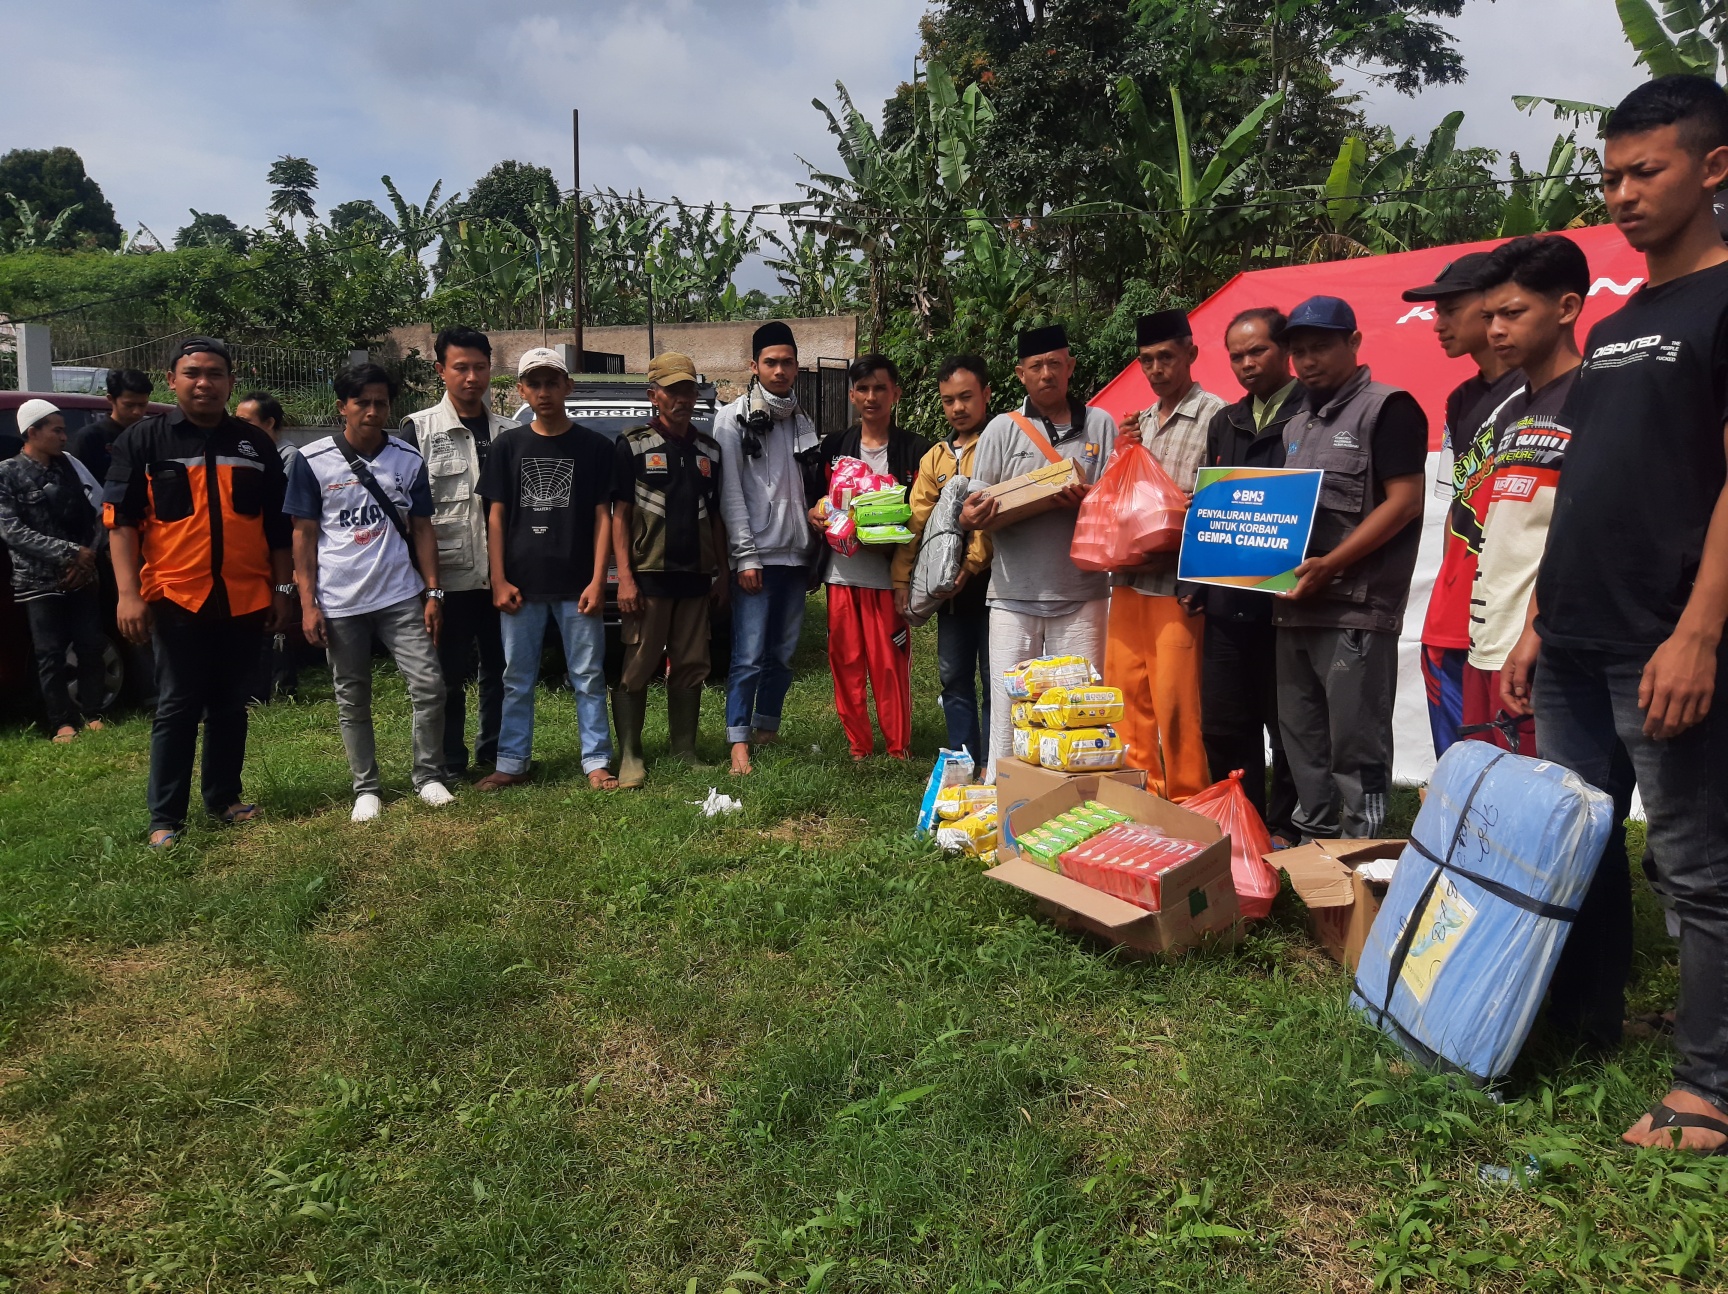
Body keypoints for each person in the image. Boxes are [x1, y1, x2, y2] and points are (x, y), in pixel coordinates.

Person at [1499, 77, 1728, 1153]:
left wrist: (1699, 633)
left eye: (1647, 171)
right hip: (1575, 639)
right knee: (1577, 847)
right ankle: (1584, 1026)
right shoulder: (1623, 323)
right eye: (1611, 177)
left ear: (1713, 167)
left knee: (1697, 865)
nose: (1623, 195)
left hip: (1663, 638)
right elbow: (1586, 484)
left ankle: (1709, 1087)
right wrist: (1540, 619)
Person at [103, 337, 295, 846]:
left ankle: (224, 798)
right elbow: (120, 524)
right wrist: (127, 594)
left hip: (245, 596)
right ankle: (165, 818)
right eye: (192, 373)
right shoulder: (143, 441)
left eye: (214, 374)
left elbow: (278, 527)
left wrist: (282, 589)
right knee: (178, 706)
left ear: (231, 382)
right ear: (172, 380)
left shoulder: (254, 445)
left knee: (231, 702)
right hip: (175, 597)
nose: (204, 383)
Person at [1275, 297, 1427, 840]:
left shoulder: (1389, 409)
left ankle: (1363, 853)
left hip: (1355, 609)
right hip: (1294, 608)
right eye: (1298, 352)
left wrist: (1332, 564)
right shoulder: (1296, 424)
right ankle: (1314, 850)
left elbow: (1405, 502)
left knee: (1356, 746)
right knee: (1303, 741)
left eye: (1321, 347)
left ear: (1354, 342)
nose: (1308, 361)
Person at [284, 365, 453, 821]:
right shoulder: (312, 461)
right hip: (340, 601)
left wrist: (433, 592)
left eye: (381, 402)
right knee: (352, 695)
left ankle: (428, 776)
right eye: (362, 402)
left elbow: (423, 528)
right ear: (342, 406)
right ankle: (367, 788)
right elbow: (303, 535)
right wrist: (307, 604)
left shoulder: (407, 458)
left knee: (429, 685)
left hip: (400, 595)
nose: (373, 411)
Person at [959, 323, 1116, 775]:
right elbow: (974, 507)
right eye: (1036, 366)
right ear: (1020, 374)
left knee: (1079, 714)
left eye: (1054, 364)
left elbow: (1117, 502)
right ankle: (1002, 793)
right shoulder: (1001, 429)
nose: (1046, 374)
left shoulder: (1101, 425)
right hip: (1012, 596)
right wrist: (971, 515)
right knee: (1009, 713)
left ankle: (1073, 800)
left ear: (1070, 367)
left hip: (1083, 595)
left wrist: (1088, 501)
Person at [1464, 235, 1589, 756]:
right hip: (1489, 637)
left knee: (1549, 794)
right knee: (1487, 788)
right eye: (1488, 316)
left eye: (1512, 313)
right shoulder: (1509, 410)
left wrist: (1536, 628)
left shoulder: (1596, 396)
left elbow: (1585, 531)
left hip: (1546, 645)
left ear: (1567, 308)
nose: (1495, 329)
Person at [1179, 308, 1301, 842]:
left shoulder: (1310, 414)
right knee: (1225, 720)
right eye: (1237, 356)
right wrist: (1195, 579)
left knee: (1289, 721)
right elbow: (1214, 506)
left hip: (1287, 601)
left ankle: (1287, 825)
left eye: (1258, 351)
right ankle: (1239, 822)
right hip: (1227, 598)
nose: (1247, 363)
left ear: (1285, 350)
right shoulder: (1225, 421)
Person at [476, 347, 616, 792]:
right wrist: (499, 579)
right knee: (516, 677)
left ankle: (596, 760)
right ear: (521, 390)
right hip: (521, 585)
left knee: (588, 676)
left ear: (567, 386)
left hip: (578, 584)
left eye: (552, 383)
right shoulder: (508, 446)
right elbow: (496, 516)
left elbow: (604, 517)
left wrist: (598, 580)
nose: (543, 392)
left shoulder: (595, 447)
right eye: (534, 384)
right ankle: (512, 761)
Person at [1403, 254, 1524, 758]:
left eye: (1450, 309)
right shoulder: (1459, 399)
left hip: (1517, 617)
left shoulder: (1546, 389)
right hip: (1453, 616)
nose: (1438, 323)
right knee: (1461, 766)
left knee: (1522, 770)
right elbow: (1456, 501)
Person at [1107, 310, 1221, 799]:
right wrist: (1121, 451)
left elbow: (1222, 505)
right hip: (1129, 579)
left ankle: (1190, 800)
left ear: (1190, 353)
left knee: (1178, 703)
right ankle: (1139, 796)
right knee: (1126, 694)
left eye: (1166, 357)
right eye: (1147, 360)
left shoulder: (1218, 417)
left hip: (1176, 582)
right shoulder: (1139, 423)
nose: (1156, 369)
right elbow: (1117, 495)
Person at [400, 327, 517, 782]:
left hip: (503, 575)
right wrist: (423, 585)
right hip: (447, 577)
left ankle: (497, 754)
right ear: (440, 371)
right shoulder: (419, 429)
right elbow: (410, 515)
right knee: (445, 675)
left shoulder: (510, 432)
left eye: (480, 367)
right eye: (460, 368)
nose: (472, 378)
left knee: (502, 671)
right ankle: (448, 761)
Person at [610, 351, 729, 787]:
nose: (682, 398)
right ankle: (630, 754)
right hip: (649, 577)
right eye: (672, 390)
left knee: (692, 663)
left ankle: (685, 749)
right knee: (638, 664)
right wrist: (624, 577)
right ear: (653, 395)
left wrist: (723, 573)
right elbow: (620, 515)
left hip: (695, 577)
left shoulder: (709, 450)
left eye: (688, 390)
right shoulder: (632, 444)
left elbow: (716, 516)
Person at [809, 355, 930, 760]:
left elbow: (923, 513)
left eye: (880, 388)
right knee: (845, 660)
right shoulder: (834, 447)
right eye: (863, 389)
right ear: (852, 396)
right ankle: (858, 744)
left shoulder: (916, 450)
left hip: (887, 578)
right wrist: (814, 514)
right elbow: (817, 499)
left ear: (896, 393)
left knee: (889, 662)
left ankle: (898, 745)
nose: (871, 397)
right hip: (842, 574)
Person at [714, 321, 820, 776]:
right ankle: (738, 741)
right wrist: (744, 555)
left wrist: (813, 548)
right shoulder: (733, 418)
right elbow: (731, 492)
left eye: (787, 363)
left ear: (797, 367)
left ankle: (766, 727)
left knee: (783, 652)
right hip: (756, 556)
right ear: (753, 366)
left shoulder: (800, 418)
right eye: (771, 362)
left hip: (795, 554)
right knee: (749, 654)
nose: (780, 371)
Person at [891, 354, 996, 762]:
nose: (958, 408)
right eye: (949, 400)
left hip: (995, 586)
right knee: (953, 677)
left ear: (986, 394)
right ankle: (963, 762)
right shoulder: (935, 457)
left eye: (966, 397)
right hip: (949, 594)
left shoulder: (1000, 444)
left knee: (994, 680)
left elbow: (994, 515)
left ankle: (993, 767)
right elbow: (916, 519)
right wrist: (902, 578)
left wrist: (971, 564)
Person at [0, 399, 108, 741]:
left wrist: (87, 558)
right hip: (38, 579)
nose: (64, 437)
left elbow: (97, 513)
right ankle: (61, 722)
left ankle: (94, 712)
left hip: (82, 574)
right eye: (57, 431)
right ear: (32, 432)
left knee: (90, 645)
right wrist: (69, 553)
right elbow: (11, 530)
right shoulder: (7, 472)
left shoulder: (70, 467)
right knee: (49, 653)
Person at [236, 390, 304, 702]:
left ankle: (280, 686)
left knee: (277, 621)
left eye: (246, 421)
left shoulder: (288, 458)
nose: (239, 427)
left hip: (278, 551)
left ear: (270, 423)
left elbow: (286, 514)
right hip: (256, 553)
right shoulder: (247, 454)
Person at [70, 369, 153, 484]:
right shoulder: (90, 438)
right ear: (111, 399)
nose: (137, 412)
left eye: (142, 405)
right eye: (129, 405)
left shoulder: (150, 436)